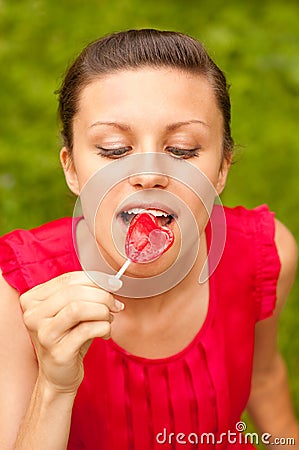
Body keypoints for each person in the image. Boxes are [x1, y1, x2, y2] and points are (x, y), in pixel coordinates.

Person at [0, 29, 298, 450]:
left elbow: (264, 378)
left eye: (181, 149)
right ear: (72, 169)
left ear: (220, 171)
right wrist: (54, 386)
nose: (149, 174)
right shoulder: (17, 295)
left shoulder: (265, 253)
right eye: (115, 148)